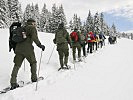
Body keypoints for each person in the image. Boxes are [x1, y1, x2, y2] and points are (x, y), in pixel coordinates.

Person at [10, 19, 45, 90]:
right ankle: (34, 78)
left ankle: (13, 82)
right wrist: (40, 45)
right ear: (32, 23)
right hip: (28, 49)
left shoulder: (23, 28)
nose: (35, 24)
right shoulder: (32, 28)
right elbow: (35, 37)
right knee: (33, 62)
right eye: (34, 23)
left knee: (16, 65)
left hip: (18, 49)